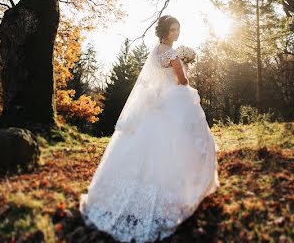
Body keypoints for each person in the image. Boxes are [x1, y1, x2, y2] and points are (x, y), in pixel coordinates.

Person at [79, 15, 219, 242]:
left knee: (151, 146)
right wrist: (183, 63)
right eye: (173, 29)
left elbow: (153, 81)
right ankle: (180, 190)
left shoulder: (155, 51)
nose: (176, 33)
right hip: (173, 101)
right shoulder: (172, 53)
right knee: (180, 142)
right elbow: (182, 82)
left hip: (156, 103)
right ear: (165, 31)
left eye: (178, 29)